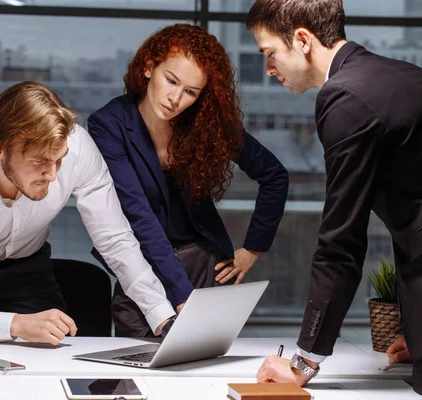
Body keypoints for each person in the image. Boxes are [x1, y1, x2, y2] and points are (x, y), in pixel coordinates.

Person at [246, 0, 422, 395]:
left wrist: (303, 362)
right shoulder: (403, 75)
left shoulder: (345, 98)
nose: (269, 68)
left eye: (270, 53)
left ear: (303, 40)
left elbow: (341, 240)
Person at [0, 81, 177, 346]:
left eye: (59, 160)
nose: (53, 175)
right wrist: (14, 324)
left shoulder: (77, 149)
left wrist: (162, 316)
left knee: (55, 355)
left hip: (28, 275)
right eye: (39, 161)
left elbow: (114, 239)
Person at [87, 23, 289, 337]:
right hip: (143, 270)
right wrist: (182, 296)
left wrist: (253, 249)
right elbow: (140, 217)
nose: (175, 98)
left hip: (205, 265)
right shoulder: (109, 124)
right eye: (171, 81)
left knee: (202, 373)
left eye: (191, 92)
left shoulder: (206, 123)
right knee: (136, 370)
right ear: (150, 67)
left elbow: (275, 176)